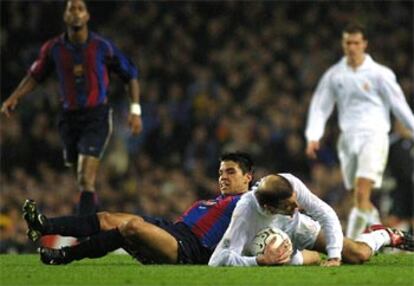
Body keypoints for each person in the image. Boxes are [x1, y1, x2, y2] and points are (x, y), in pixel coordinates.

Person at [1, 0, 143, 216]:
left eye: (80, 9)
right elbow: (35, 75)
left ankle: (85, 228)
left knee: (86, 177)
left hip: (97, 116)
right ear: (65, 16)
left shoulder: (102, 47)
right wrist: (14, 97)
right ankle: (89, 212)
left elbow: (130, 75)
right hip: (69, 118)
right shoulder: (53, 48)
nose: (76, 13)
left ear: (87, 16)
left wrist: (135, 111)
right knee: (79, 174)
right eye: (71, 9)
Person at [22, 152, 254, 265]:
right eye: (221, 172)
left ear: (248, 178)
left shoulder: (247, 202)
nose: (223, 177)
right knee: (107, 218)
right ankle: (44, 225)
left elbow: (269, 193)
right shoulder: (210, 201)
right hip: (172, 231)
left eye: (231, 172)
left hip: (190, 249)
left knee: (130, 227)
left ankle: (64, 256)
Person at [304, 23, 414, 239]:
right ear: (343, 44)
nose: (352, 47)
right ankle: (384, 235)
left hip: (374, 136)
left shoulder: (380, 74)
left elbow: (399, 106)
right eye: (348, 42)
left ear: (364, 44)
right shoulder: (335, 75)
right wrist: (313, 135)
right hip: (347, 139)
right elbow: (320, 105)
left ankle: (350, 243)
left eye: (356, 42)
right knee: (358, 198)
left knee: (362, 192)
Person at [209, 174, 414, 267]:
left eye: (295, 201)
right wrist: (259, 261)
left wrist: (334, 256)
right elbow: (217, 260)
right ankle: (304, 256)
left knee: (357, 254)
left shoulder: (291, 184)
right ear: (269, 209)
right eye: (289, 206)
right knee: (308, 261)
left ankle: (383, 235)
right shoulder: (245, 213)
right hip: (268, 248)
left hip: (296, 228)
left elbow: (325, 212)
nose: (297, 207)